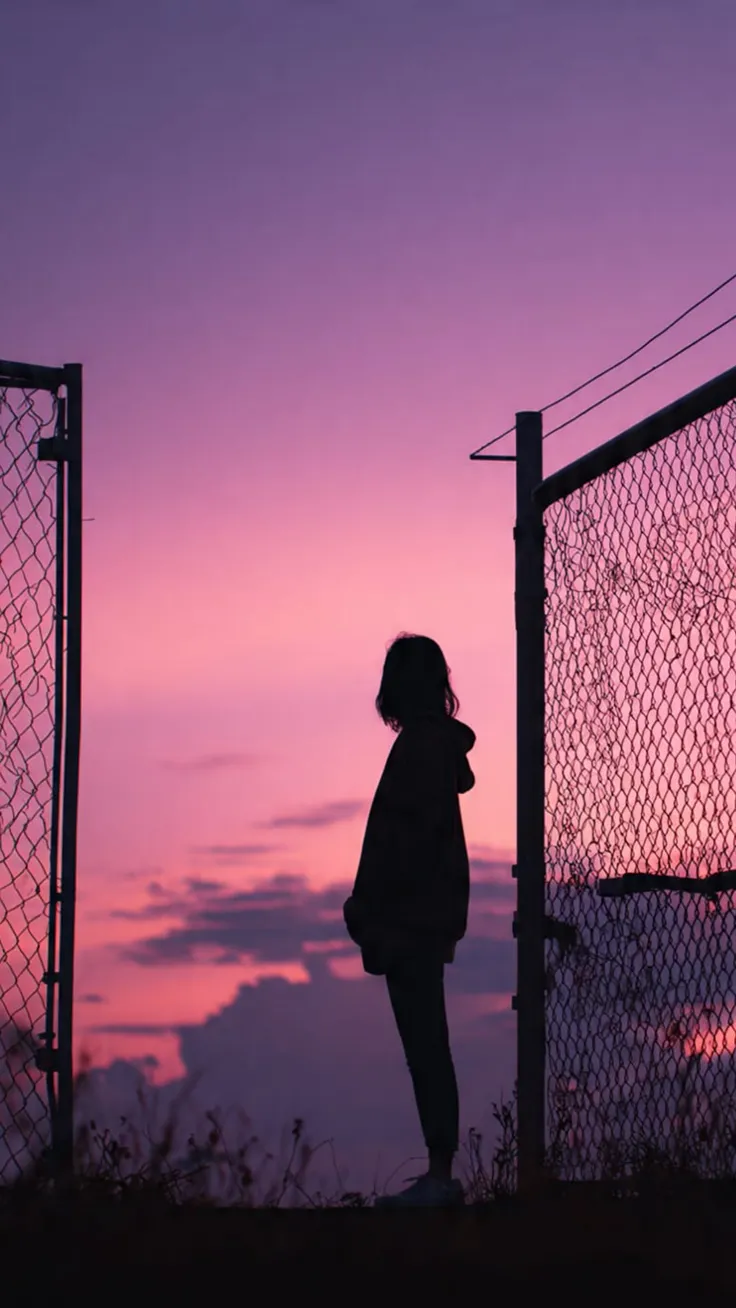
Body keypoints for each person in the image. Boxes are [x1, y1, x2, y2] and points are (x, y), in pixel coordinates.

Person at [343, 632, 476, 1208]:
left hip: (411, 916)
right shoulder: (433, 748)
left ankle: (441, 1174)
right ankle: (438, 1169)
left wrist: (370, 904)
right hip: (419, 914)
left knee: (426, 1043)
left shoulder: (421, 749)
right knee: (426, 1042)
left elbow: (407, 841)